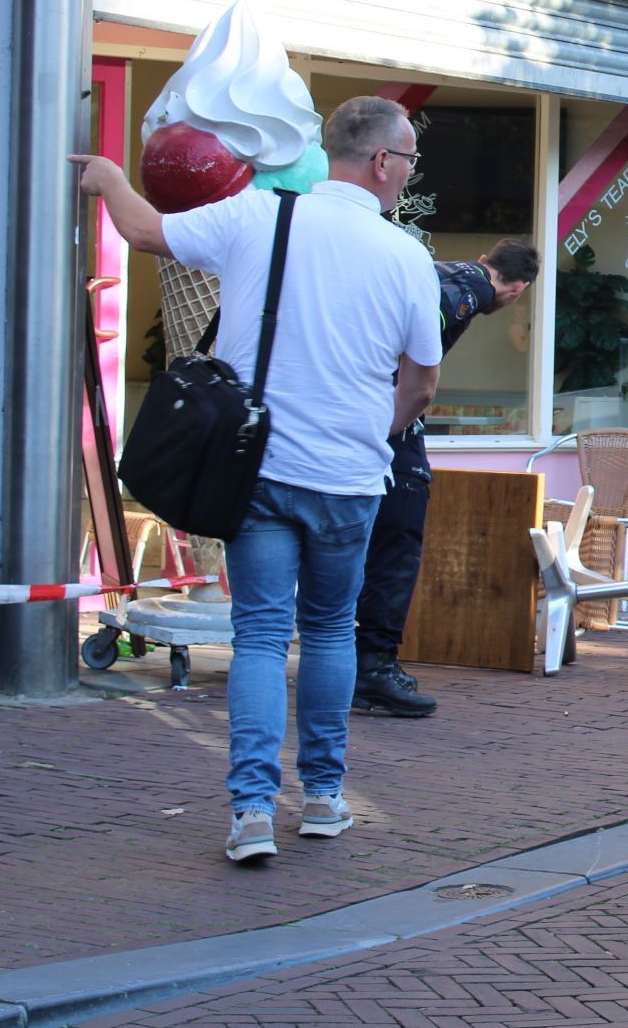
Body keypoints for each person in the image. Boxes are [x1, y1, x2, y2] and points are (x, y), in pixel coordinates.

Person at [72, 95, 442, 865]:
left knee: (262, 637)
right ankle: (325, 797)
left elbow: (146, 231)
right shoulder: (406, 256)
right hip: (348, 479)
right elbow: (420, 386)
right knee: (331, 630)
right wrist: (369, 433)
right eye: (409, 159)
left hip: (260, 471)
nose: (409, 172)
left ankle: (250, 812)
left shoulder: (255, 216)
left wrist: (108, 176)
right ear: (382, 161)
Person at [354, 238, 541, 717]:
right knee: (399, 541)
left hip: (352, 412)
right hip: (386, 424)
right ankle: (374, 667)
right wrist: (390, 428)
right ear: (518, 288)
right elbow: (417, 349)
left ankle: (346, 661)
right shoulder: (474, 289)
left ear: (484, 259)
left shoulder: (441, 269)